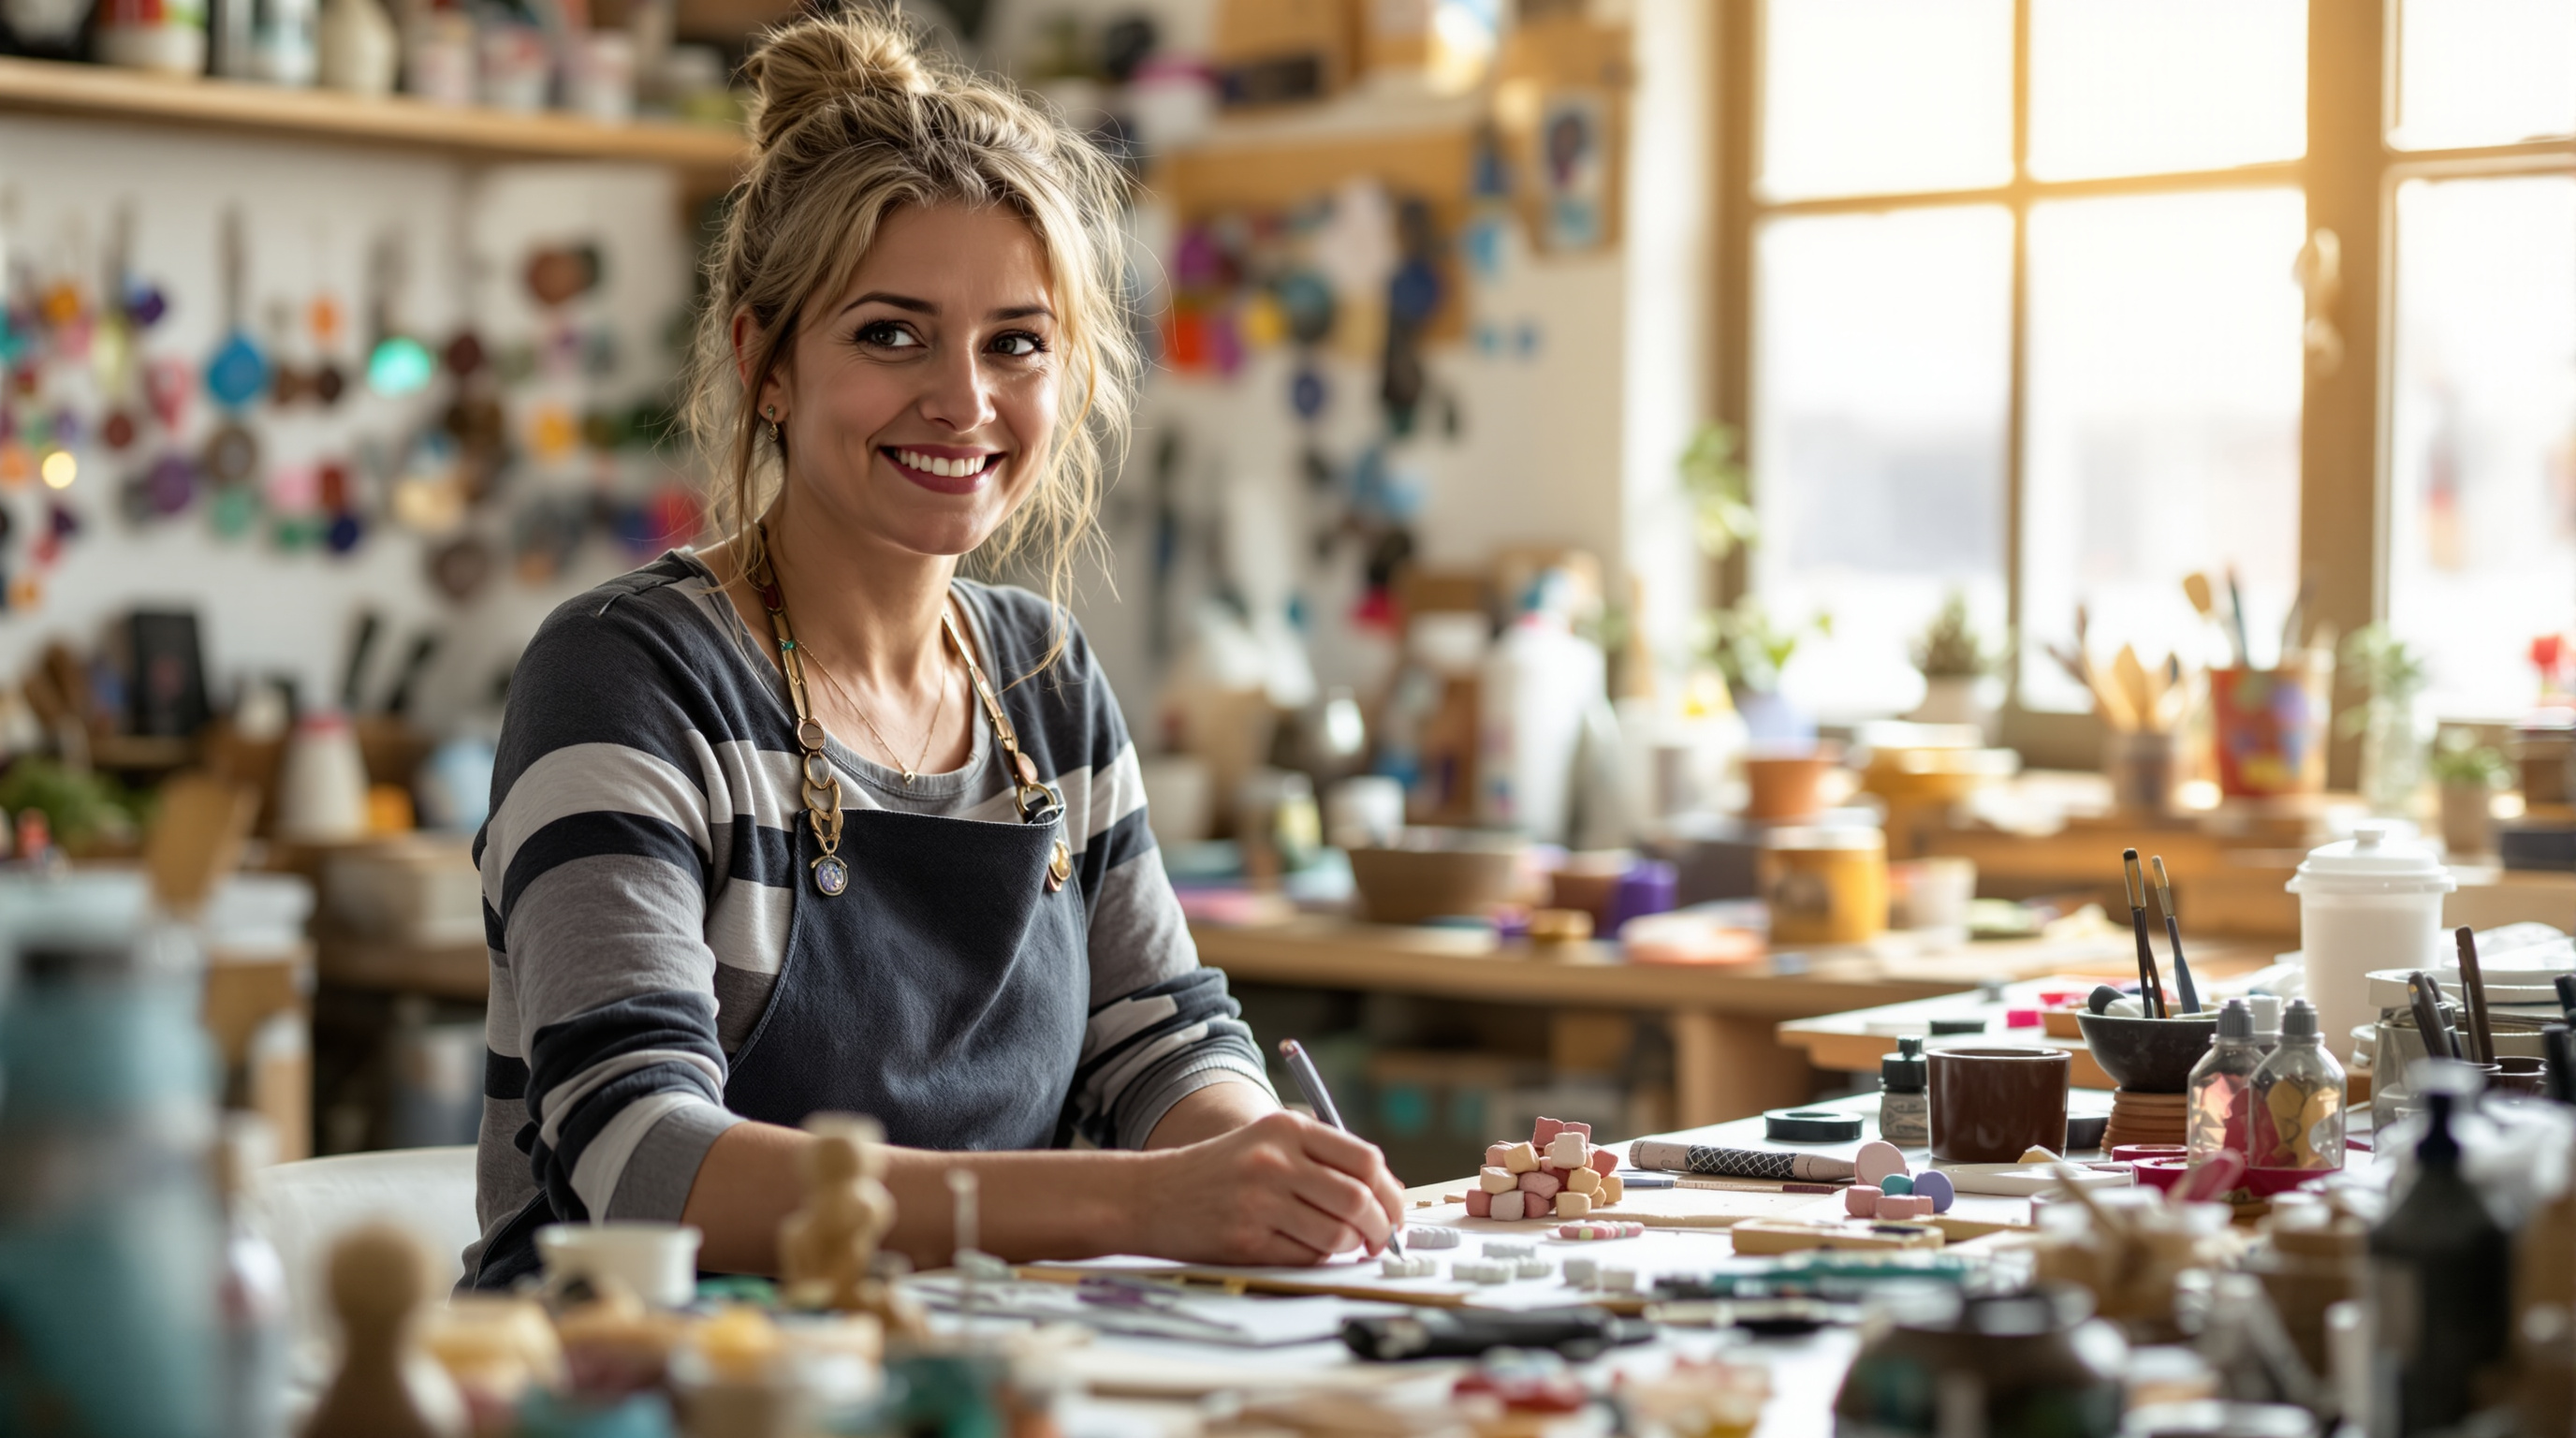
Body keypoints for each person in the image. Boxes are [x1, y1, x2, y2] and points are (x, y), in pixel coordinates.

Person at [461, 7, 1403, 1288]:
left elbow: (1162, 1038)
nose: (963, 401)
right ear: (767, 362)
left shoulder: (1043, 677)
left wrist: (1255, 1175)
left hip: (973, 1378)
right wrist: (1141, 1203)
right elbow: (639, 1162)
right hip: (644, 1390)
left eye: (1015, 343)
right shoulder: (631, 674)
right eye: (890, 333)